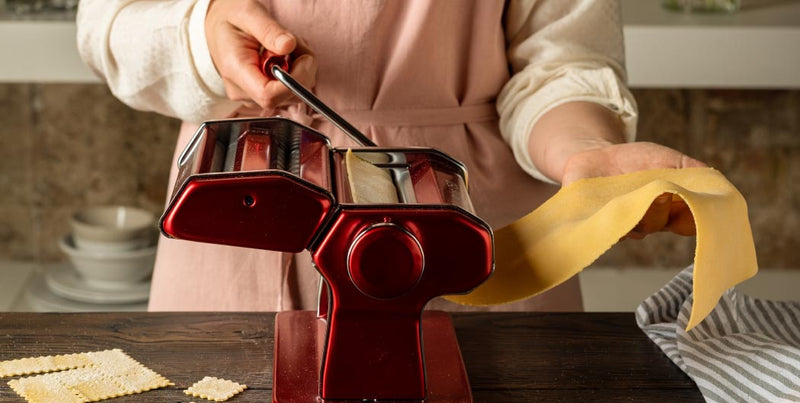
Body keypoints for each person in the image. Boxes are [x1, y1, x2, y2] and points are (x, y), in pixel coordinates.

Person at [76, 0, 703, 312]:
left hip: (473, 247)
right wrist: (201, 34)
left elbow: (561, 61)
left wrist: (584, 151)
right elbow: (108, 25)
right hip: (239, 220)